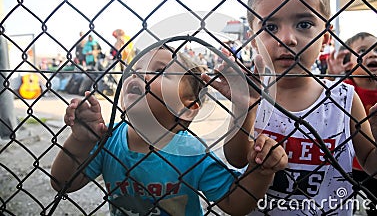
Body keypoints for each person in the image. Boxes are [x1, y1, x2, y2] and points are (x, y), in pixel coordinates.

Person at [202, 0, 377, 215]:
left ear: (326, 37)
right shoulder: (252, 95)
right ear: (253, 39)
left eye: (304, 24)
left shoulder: (344, 99)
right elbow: (238, 159)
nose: (287, 38)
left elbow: (375, 169)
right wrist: (244, 108)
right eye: (271, 27)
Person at [50, 46, 288, 215]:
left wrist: (261, 171)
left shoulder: (192, 153)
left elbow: (234, 203)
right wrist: (81, 140)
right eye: (136, 67)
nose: (139, 74)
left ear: (187, 109)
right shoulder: (108, 138)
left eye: (159, 70)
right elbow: (63, 184)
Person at [328, 32, 377, 216]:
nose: (372, 54)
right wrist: (333, 77)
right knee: (342, 208)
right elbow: (326, 98)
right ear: (349, 61)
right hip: (348, 165)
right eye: (363, 51)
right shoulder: (345, 87)